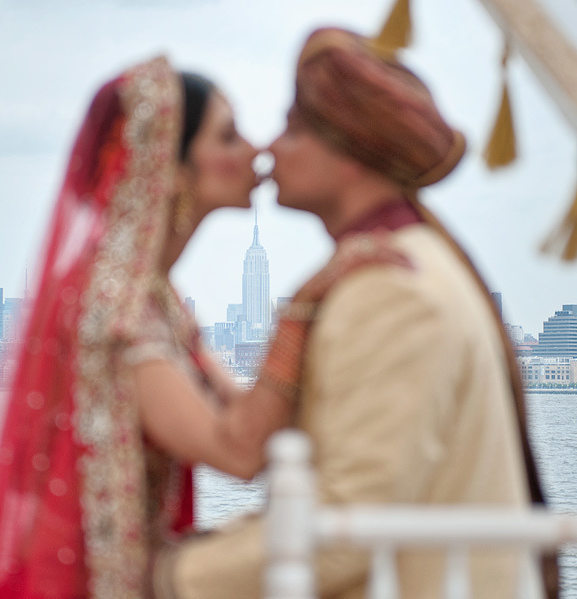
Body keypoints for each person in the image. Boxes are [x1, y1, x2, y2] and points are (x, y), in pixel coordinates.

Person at [0, 55, 406, 599]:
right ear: (169, 170)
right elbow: (238, 450)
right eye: (229, 137)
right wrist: (303, 309)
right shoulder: (115, 306)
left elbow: (245, 422)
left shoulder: (157, 297)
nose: (257, 151)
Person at [153, 28, 557, 599]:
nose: (269, 148)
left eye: (292, 129)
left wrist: (166, 578)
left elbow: (346, 529)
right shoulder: (403, 265)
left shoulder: (388, 290)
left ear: (347, 159)